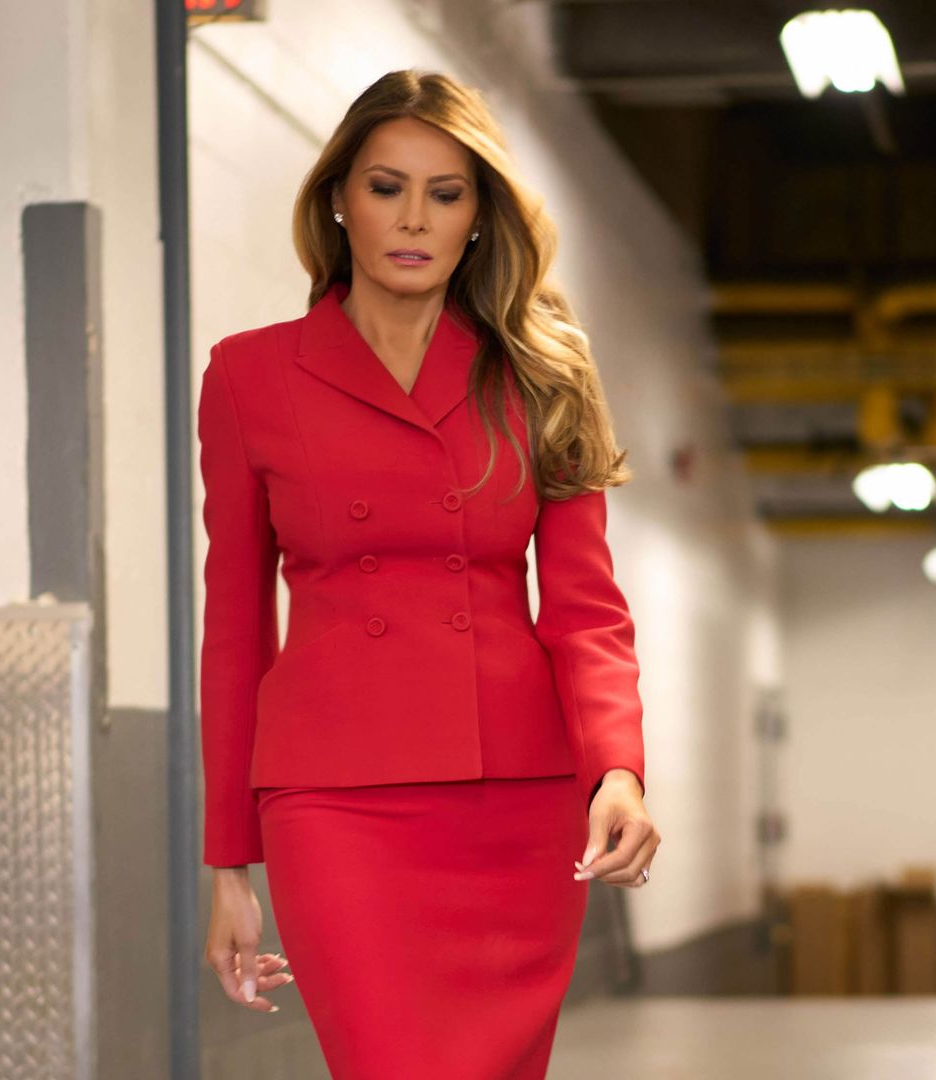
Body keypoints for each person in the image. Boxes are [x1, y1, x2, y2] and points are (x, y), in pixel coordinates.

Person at [196, 69, 660, 1079]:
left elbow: (586, 610)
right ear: (337, 200)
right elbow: (235, 627)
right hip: (335, 800)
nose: (414, 219)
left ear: (478, 219)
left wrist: (616, 768)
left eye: (446, 195)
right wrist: (228, 864)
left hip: (515, 800)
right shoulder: (249, 377)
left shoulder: (543, 374)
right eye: (385, 187)